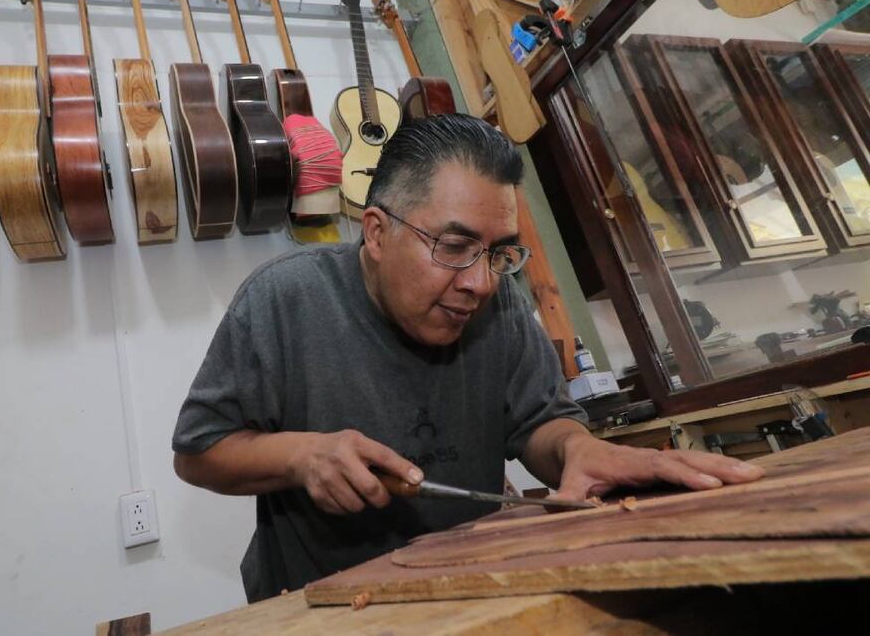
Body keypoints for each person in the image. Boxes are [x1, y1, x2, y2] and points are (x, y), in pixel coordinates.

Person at [171, 114, 764, 602]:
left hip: (470, 584)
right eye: (454, 247)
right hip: (324, 603)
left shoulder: (498, 302)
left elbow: (538, 423)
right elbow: (199, 451)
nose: (480, 283)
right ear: (376, 233)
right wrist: (301, 456)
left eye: (499, 253)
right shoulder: (285, 299)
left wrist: (579, 451)